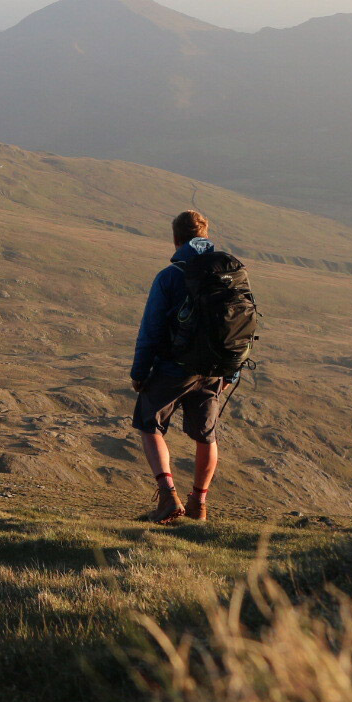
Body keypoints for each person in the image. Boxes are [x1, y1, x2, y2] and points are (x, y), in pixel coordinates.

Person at [130, 209, 236, 523]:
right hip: (215, 368)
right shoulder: (228, 275)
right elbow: (237, 327)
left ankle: (167, 498)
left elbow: (151, 329)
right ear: (205, 235)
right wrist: (231, 371)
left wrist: (139, 373)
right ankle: (198, 505)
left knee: (149, 425)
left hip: (173, 368)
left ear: (177, 239)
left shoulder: (171, 276)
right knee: (206, 436)